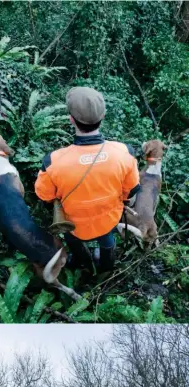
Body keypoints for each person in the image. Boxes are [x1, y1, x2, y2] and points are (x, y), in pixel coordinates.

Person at [35, 86, 141, 273]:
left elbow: (45, 197)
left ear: (71, 120)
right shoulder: (125, 153)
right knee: (107, 238)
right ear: (103, 117)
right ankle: (107, 266)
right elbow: (131, 193)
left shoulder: (52, 161)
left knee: (72, 239)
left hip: (75, 225)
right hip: (108, 219)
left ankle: (81, 261)